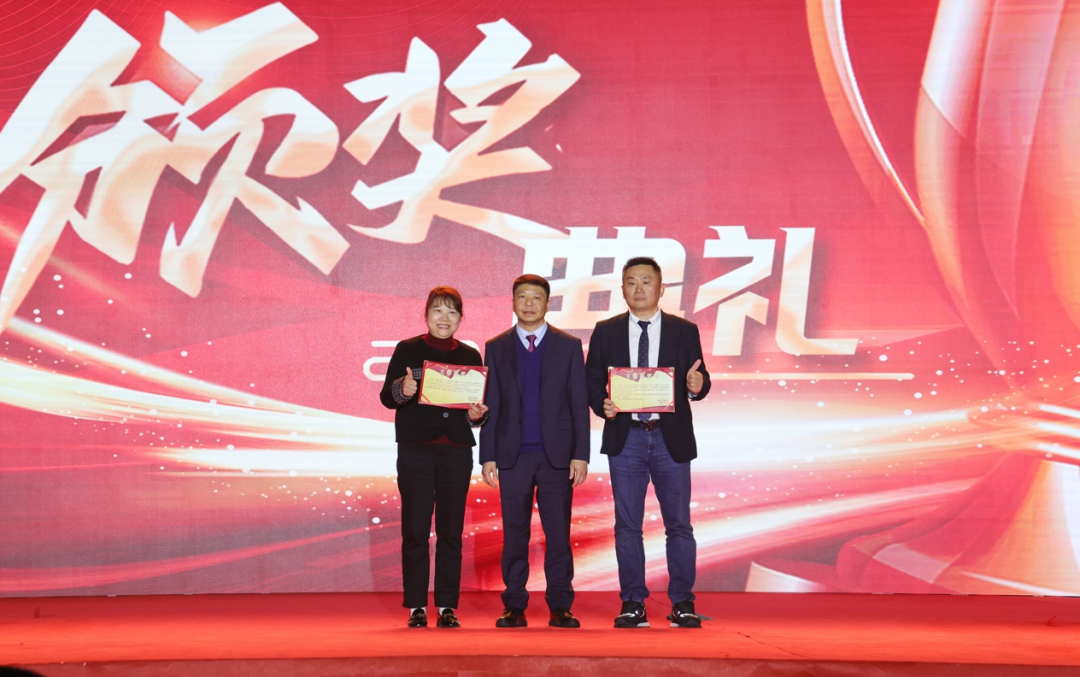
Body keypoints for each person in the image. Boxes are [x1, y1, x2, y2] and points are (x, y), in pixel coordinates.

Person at [584, 257, 711, 629]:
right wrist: (602, 404)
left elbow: (699, 378)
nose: (638, 288)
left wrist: (697, 386)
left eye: (646, 281)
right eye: (631, 282)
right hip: (627, 438)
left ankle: (682, 602)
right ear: (622, 289)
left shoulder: (684, 330)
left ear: (661, 288)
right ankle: (633, 602)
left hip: (671, 439)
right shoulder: (605, 331)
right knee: (627, 526)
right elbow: (592, 380)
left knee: (679, 525)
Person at [480, 274, 590, 629]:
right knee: (515, 534)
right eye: (522, 297)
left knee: (558, 535)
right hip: (512, 456)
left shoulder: (568, 345)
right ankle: (514, 604)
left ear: (548, 303)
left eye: (536, 297)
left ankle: (560, 605)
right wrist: (488, 455)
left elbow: (578, 403)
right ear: (513, 302)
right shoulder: (496, 346)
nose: (529, 303)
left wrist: (581, 454)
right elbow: (491, 403)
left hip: (557, 457)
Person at [379, 286, 488, 629]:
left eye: (452, 311)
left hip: (456, 451)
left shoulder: (470, 355)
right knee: (415, 528)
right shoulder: (408, 349)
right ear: (426, 314)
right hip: (416, 449)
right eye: (438, 310)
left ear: (460, 318)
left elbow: (477, 412)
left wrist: (477, 415)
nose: (444, 318)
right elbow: (387, 397)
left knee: (451, 530)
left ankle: (446, 606)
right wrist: (403, 389)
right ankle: (416, 605)